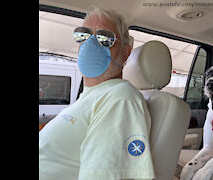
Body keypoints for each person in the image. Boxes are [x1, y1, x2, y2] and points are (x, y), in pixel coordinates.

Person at [39, 5, 155, 180]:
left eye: (104, 37)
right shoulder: (89, 96)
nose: (90, 43)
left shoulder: (121, 97)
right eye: (83, 35)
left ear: (125, 53)